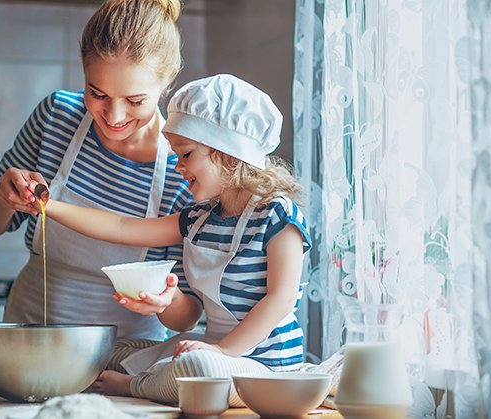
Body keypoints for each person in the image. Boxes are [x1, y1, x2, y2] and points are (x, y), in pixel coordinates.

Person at [39, 74, 312, 406]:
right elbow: (123, 227)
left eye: (186, 154)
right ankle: (153, 375)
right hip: (213, 352)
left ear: (226, 152)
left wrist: (222, 350)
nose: (178, 166)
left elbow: (281, 299)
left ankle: (133, 386)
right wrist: (46, 205)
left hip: (265, 370)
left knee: (198, 366)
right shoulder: (199, 218)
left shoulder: (277, 216)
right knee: (113, 349)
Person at [0, 0, 195, 367]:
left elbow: (187, 313)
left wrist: (165, 301)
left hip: (123, 363)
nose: (114, 115)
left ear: (166, 83)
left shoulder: (183, 164)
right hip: (27, 345)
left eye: (135, 100)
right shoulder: (56, 117)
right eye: (98, 93)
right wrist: (6, 199)